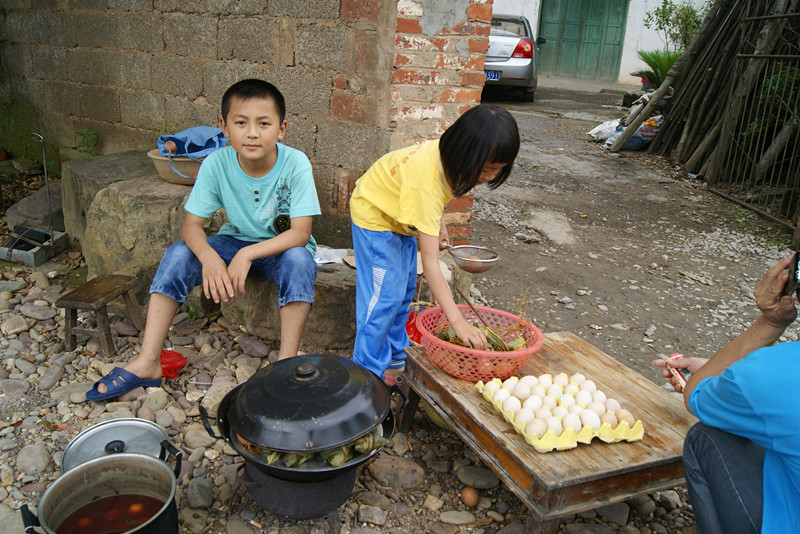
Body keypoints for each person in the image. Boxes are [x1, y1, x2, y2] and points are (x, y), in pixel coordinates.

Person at [87, 79, 321, 401]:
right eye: (241, 123)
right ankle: (148, 360)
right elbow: (191, 226)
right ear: (225, 127)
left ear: (281, 129)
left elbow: (300, 233)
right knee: (179, 255)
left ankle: (287, 360)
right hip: (233, 243)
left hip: (280, 249)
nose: (252, 133)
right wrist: (211, 258)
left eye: (263, 123)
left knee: (299, 259)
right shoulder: (216, 163)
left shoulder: (295, 163)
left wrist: (247, 255)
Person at [349, 104, 520, 384]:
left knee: (403, 290)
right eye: (487, 169)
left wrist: (438, 225)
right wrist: (458, 321)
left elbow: (435, 200)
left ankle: (394, 358)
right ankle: (365, 376)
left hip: (398, 216)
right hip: (374, 216)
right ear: (466, 153)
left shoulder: (447, 157)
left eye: (497, 170)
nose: (489, 177)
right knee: (382, 298)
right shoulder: (425, 183)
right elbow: (430, 263)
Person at [653, 255, 800, 533]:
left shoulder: (773, 374)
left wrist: (770, 323)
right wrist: (724, 377)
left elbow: (696, 394)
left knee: (706, 437)